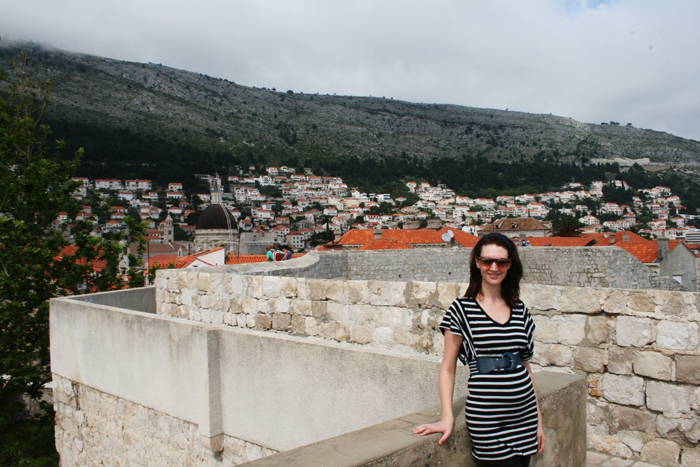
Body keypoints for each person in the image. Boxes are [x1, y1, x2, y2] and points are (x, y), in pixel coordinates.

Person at [413, 233, 545, 467]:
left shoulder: (520, 309)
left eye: (501, 262)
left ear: (510, 265)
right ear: (477, 262)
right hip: (488, 422)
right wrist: (447, 417)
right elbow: (448, 368)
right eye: (487, 261)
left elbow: (526, 366)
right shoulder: (462, 310)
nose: (494, 268)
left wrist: (539, 421)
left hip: (525, 419)